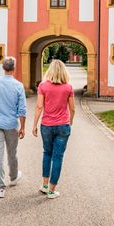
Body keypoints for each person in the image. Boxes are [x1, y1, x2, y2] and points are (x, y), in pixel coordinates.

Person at [32, 59, 74, 199]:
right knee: (58, 157)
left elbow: (39, 107)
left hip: (47, 126)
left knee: (47, 153)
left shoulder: (43, 86)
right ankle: (51, 191)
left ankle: (44, 185)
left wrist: (34, 125)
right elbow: (72, 108)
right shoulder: (68, 87)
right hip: (63, 125)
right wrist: (70, 121)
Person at [0, 56, 27, 198]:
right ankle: (14, 177)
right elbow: (22, 110)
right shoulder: (18, 85)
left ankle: (0, 187)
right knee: (12, 153)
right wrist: (22, 127)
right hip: (11, 124)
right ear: (14, 69)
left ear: (3, 68)